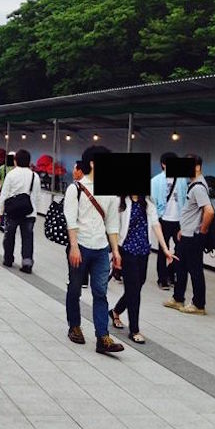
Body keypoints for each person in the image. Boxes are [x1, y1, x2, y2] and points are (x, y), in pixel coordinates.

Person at [63, 146, 124, 354]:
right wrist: (73, 246)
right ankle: (74, 326)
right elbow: (71, 221)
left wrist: (115, 251)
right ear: (93, 163)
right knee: (75, 289)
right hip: (80, 246)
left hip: (101, 249)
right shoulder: (76, 189)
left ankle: (102, 337)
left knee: (100, 292)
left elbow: (112, 224)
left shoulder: (111, 192)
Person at [109, 195, 176, 343]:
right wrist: (115, 252)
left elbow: (156, 225)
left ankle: (115, 311)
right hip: (127, 250)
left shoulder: (147, 202)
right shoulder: (121, 202)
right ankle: (134, 330)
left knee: (138, 285)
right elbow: (113, 227)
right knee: (134, 290)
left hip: (144, 251)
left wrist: (165, 248)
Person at [164, 154, 214, 315]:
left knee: (195, 270)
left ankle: (199, 304)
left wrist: (202, 231)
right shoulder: (193, 184)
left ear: (197, 167)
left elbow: (209, 211)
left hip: (193, 236)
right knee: (180, 267)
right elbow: (192, 211)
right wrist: (183, 229)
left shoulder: (198, 187)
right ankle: (178, 298)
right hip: (186, 234)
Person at [0, 149, 40, 273]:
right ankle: (27, 263)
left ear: (15, 161)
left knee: (9, 236)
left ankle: (8, 259)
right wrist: (35, 210)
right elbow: (37, 196)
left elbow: (4, 194)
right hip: (29, 212)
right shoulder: (35, 176)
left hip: (13, 212)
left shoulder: (11, 175)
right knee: (28, 238)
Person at [150, 152, 187, 289]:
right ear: (164, 164)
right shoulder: (155, 181)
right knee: (162, 250)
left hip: (179, 220)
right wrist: (156, 220)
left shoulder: (182, 180)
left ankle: (171, 272)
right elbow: (152, 202)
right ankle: (162, 278)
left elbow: (185, 200)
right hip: (163, 219)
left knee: (181, 250)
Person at [0, 152, 15, 233]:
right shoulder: (3, 168)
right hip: (4, 189)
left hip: (13, 191)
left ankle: (7, 223)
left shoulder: (17, 169)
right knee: (3, 207)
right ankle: (2, 223)